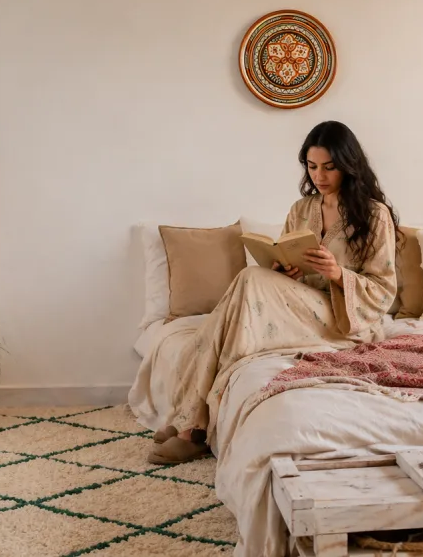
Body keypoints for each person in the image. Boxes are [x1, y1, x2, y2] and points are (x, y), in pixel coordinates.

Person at [148, 120, 400, 464]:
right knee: (252, 280)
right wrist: (285, 270)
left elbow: (384, 289)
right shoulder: (302, 210)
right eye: (312, 167)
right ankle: (191, 420)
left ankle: (191, 426)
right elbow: (284, 256)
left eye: (329, 167)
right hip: (298, 304)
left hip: (344, 318)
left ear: (348, 165)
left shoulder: (374, 215)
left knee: (249, 281)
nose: (319, 176)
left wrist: (338, 274)